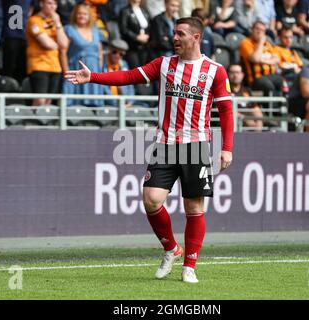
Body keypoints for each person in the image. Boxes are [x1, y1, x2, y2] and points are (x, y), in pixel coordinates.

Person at [65, 17, 234, 283]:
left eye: (180, 34)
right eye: (173, 33)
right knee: (152, 199)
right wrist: (93, 77)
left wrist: (227, 148)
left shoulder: (215, 70)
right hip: (165, 145)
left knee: (193, 207)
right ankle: (171, 249)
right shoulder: (164, 64)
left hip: (197, 147)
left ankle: (190, 266)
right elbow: (130, 76)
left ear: (196, 37)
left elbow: (225, 110)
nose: (174, 38)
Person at [61, 2, 106, 107]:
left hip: (94, 71)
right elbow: (63, 52)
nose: (82, 16)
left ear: (89, 16)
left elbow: (99, 51)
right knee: (74, 106)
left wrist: (99, 70)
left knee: (95, 105)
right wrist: (66, 73)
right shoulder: (69, 29)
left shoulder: (95, 30)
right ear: (74, 15)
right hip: (76, 70)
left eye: (85, 14)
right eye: (79, 13)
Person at [26, 0, 69, 106]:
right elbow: (47, 44)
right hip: (39, 65)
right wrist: (58, 44)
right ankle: (33, 121)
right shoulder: (34, 20)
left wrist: (58, 24)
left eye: (54, 4)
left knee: (49, 102)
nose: (52, 7)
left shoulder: (55, 23)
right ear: (41, 4)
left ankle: (44, 122)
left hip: (55, 66)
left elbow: (64, 45)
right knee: (40, 100)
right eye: (49, 3)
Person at [239, 20, 283, 95]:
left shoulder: (268, 44)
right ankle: (271, 106)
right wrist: (261, 43)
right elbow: (255, 59)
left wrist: (261, 60)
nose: (259, 32)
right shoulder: (246, 43)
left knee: (281, 81)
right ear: (252, 30)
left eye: (262, 30)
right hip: (256, 78)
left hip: (272, 75)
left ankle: (280, 105)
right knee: (267, 85)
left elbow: (277, 59)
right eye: (257, 29)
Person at [2, 0, 35, 84]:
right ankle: (6, 86)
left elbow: (32, 7)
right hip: (10, 34)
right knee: (9, 65)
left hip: (24, 34)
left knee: (22, 65)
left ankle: (19, 86)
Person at [102, 39, 139, 107]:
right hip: (108, 104)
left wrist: (130, 102)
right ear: (110, 50)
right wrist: (118, 104)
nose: (117, 55)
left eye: (121, 54)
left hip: (124, 104)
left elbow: (130, 86)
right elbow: (103, 88)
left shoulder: (124, 64)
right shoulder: (102, 64)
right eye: (114, 52)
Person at [228, 64, 263, 130]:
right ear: (228, 75)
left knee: (257, 110)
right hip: (234, 117)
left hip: (247, 116)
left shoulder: (247, 90)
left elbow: (254, 106)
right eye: (232, 73)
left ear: (242, 75)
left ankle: (259, 133)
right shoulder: (225, 90)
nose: (235, 75)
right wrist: (242, 117)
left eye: (237, 72)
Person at [118, 0, 151, 69]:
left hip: (144, 47)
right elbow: (123, 29)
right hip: (131, 47)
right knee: (135, 71)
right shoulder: (125, 11)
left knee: (144, 71)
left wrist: (147, 36)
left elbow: (150, 26)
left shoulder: (144, 10)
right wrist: (136, 37)